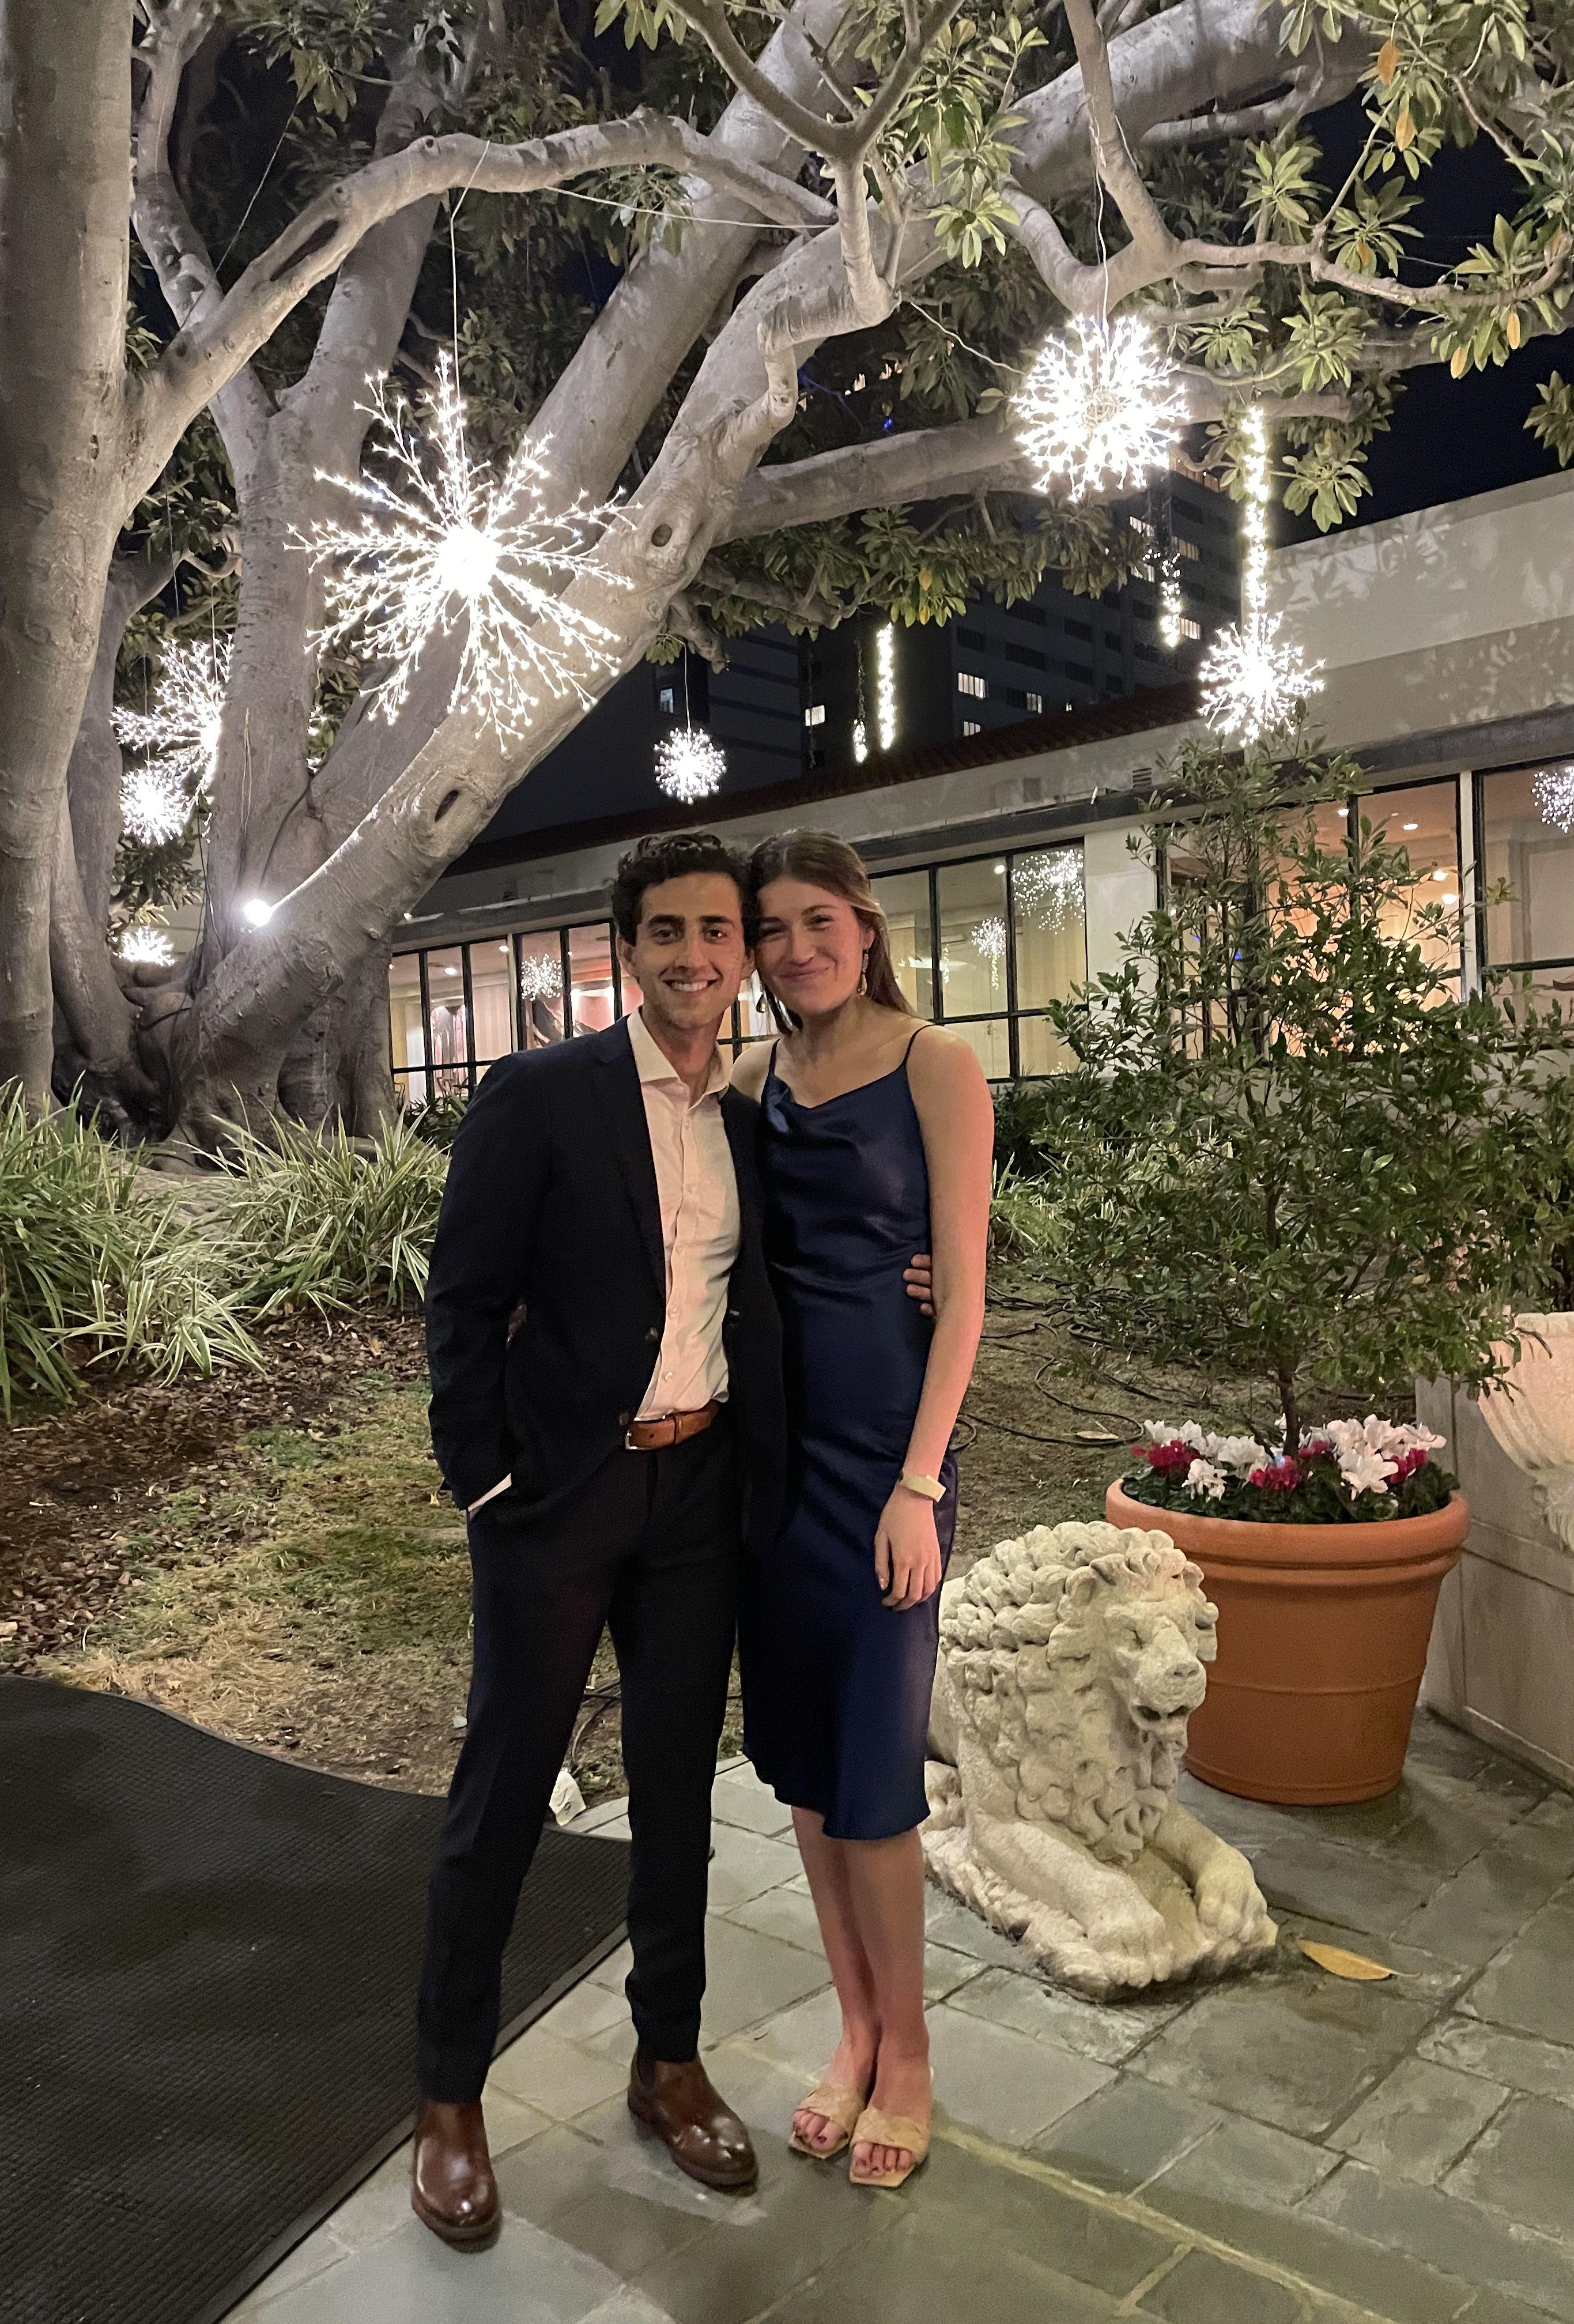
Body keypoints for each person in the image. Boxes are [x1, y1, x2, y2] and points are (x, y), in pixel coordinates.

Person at [410, 829, 934, 2248]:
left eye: (720, 931)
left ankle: (668, 2061)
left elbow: (824, 1242)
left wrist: (928, 1270)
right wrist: (484, 1482)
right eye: (670, 933)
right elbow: (462, 1303)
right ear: (627, 949)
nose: (700, 957)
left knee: (677, 1799)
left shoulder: (754, 1108)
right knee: (504, 1790)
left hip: (703, 1500)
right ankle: (449, 2098)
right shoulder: (544, 1096)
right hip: (558, 1500)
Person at [730, 830, 994, 2191]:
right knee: (805, 1772)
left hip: (888, 1467)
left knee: (876, 1784)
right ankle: (854, 2029)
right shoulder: (749, 1082)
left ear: (866, 924)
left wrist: (919, 1485)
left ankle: (914, 2056)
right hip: (771, 1468)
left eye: (817, 920)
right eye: (771, 929)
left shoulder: (937, 1065)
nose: (796, 949)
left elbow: (966, 1297)